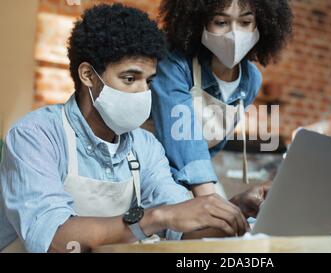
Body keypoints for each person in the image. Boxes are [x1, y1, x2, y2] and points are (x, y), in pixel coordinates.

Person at [0, 3, 268, 253]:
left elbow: (185, 229)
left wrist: (233, 211)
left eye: (149, 81)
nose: (143, 93)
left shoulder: (145, 147)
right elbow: (54, 240)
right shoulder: (36, 135)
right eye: (130, 78)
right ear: (88, 75)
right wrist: (156, 217)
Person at [152, 0, 293, 197]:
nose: (235, 34)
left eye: (245, 23)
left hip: (192, 180)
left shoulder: (251, 79)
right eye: (220, 22)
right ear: (200, 22)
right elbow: (184, 138)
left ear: (260, 24)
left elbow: (211, 148)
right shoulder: (175, 64)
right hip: (152, 174)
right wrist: (207, 197)